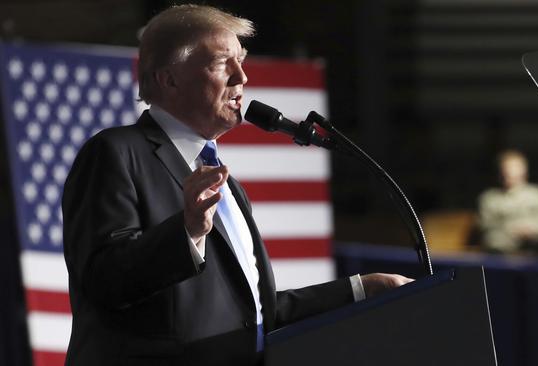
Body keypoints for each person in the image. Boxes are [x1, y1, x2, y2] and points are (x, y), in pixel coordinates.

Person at [62, 5, 412, 366]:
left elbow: (255, 316)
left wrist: (361, 290)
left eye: (241, 60)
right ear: (168, 79)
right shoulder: (114, 153)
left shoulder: (228, 186)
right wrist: (187, 233)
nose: (241, 76)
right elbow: (103, 281)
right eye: (220, 63)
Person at [477, 150, 538, 255]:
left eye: (515, 167)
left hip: (535, 244)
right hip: (504, 245)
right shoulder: (490, 198)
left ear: (524, 170)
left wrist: (532, 230)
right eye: (506, 167)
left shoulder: (537, 194)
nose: (510, 171)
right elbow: (486, 226)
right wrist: (512, 229)